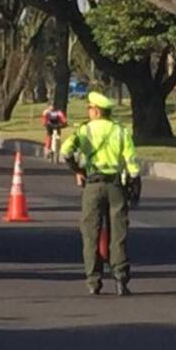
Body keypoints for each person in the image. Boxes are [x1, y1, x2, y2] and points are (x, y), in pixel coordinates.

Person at [60, 91, 142, 296]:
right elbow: (132, 163)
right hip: (115, 185)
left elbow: (65, 151)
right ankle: (121, 278)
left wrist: (78, 170)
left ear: (96, 111)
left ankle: (93, 281)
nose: (88, 111)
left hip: (93, 185)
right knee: (118, 233)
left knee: (91, 233)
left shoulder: (84, 130)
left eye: (89, 108)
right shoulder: (120, 131)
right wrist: (134, 185)